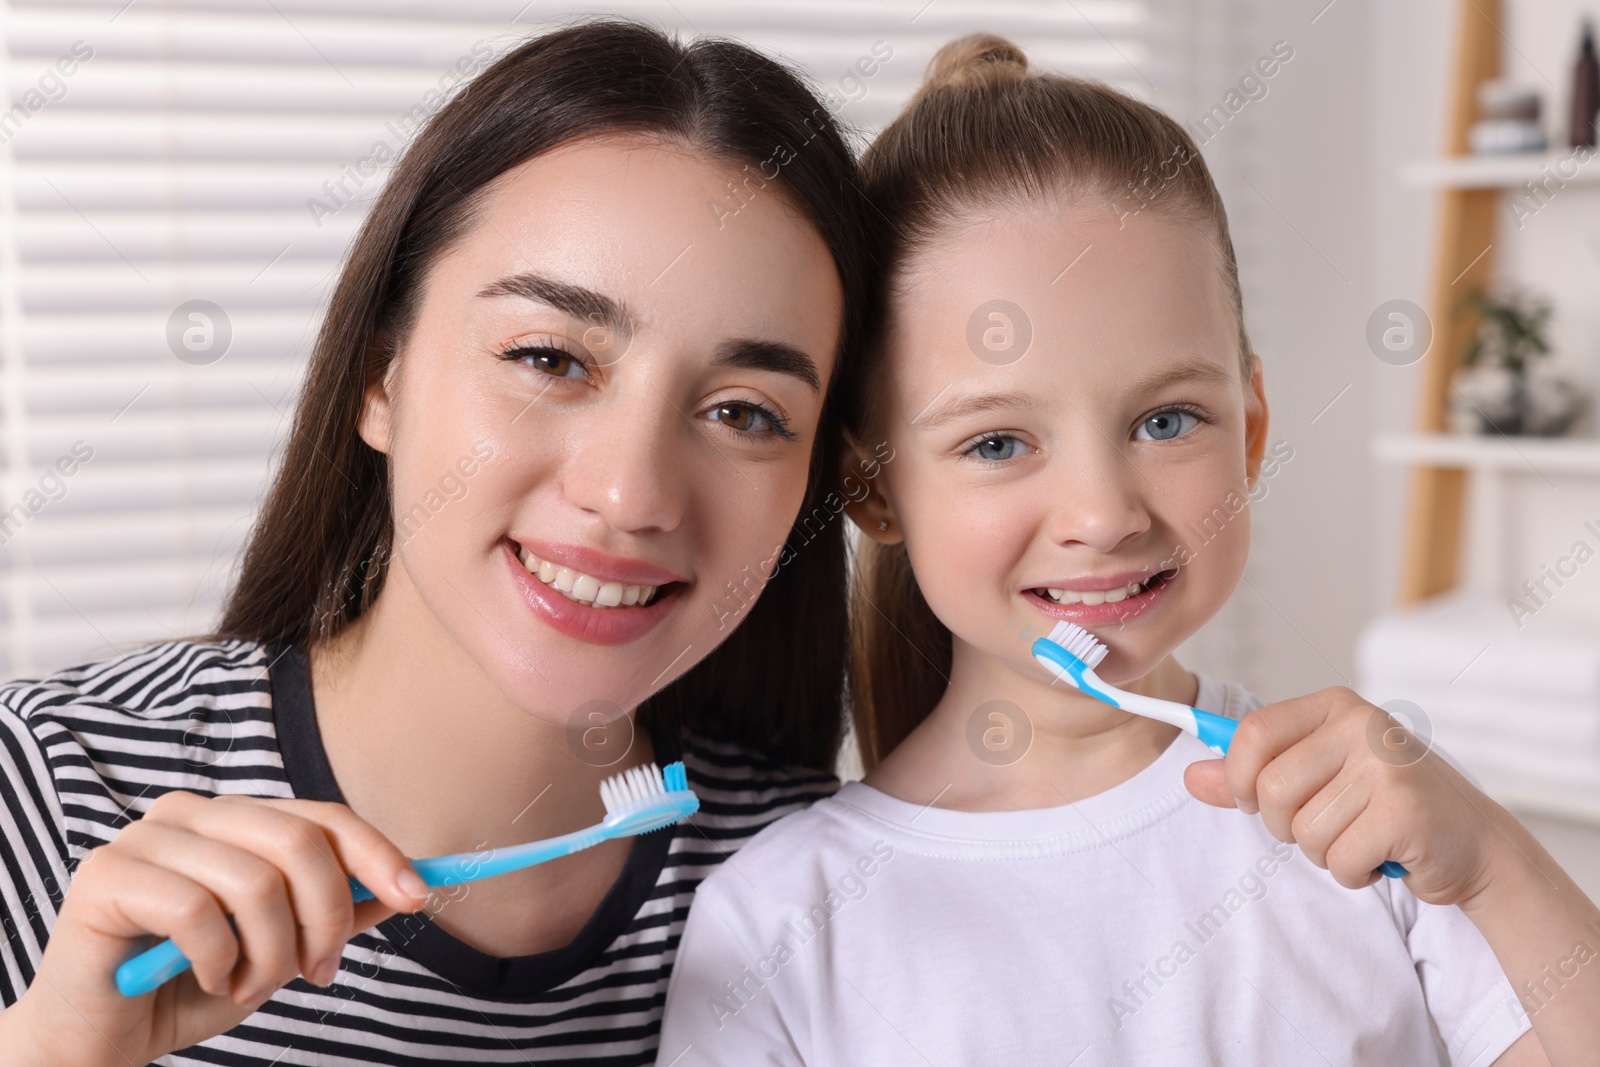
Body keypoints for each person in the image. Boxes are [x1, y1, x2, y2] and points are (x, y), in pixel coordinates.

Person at [657, 35, 1600, 1066]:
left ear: (1248, 431)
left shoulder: (1373, 822)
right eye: (998, 441)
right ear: (872, 487)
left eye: (1164, 420)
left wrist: (1495, 865)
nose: (1102, 513)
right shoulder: (778, 925)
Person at [0, 19, 873, 1066]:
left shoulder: (826, 889)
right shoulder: (50, 786)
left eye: (743, 412)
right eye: (549, 357)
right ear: (381, 377)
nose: (630, 492)